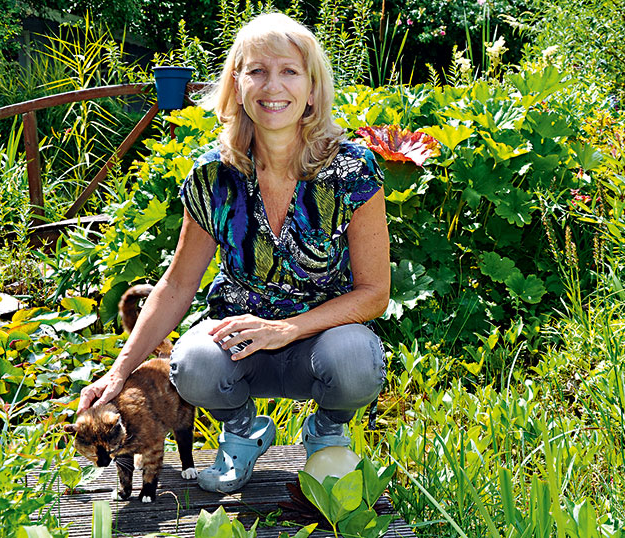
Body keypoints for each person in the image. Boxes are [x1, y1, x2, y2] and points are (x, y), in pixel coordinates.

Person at [77, 12, 390, 494]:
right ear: (237, 84)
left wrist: (286, 328)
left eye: (289, 71)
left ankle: (327, 433)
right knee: (191, 361)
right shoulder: (213, 176)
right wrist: (118, 373)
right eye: (257, 70)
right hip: (238, 345)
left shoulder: (351, 171)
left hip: (323, 341)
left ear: (312, 89)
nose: (273, 85)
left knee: (357, 361)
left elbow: (374, 294)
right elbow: (178, 285)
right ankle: (242, 432)